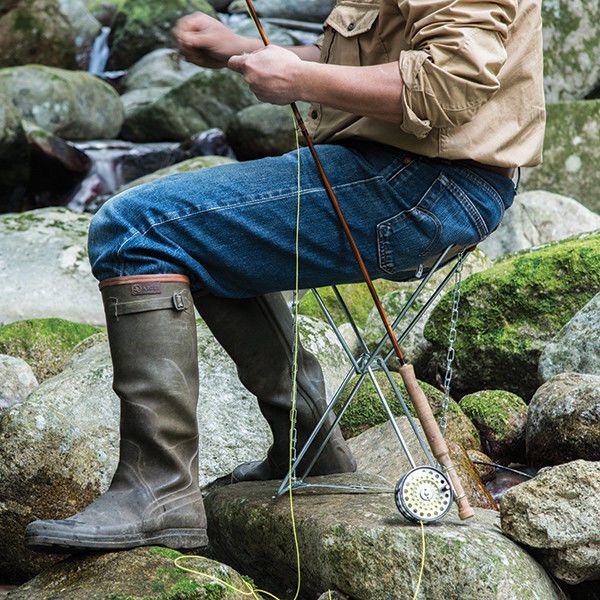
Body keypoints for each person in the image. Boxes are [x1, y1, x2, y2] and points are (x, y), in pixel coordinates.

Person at [25, 0, 545, 552]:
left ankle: (158, 489)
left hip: (424, 183)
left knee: (135, 230)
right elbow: (382, 55)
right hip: (418, 174)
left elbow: (449, 84)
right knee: (197, 236)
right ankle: (310, 446)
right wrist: (241, 50)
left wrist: (299, 79)